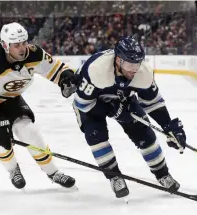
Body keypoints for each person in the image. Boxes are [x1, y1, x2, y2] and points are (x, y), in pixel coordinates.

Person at [0, 22, 79, 189]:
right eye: (16, 45)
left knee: (30, 131)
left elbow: (56, 69)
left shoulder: (33, 53)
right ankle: (13, 169)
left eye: (24, 43)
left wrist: (65, 78)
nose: (22, 48)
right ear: (5, 45)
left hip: (8, 98)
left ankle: (53, 173)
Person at [72, 36, 186, 198]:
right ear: (118, 60)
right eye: (130, 64)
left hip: (122, 97)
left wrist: (168, 126)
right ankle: (114, 177)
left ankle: (163, 175)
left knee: (145, 133)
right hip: (92, 103)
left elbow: (153, 102)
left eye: (137, 63)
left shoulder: (143, 73)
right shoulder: (96, 70)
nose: (134, 69)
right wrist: (113, 110)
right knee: (96, 135)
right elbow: (83, 104)